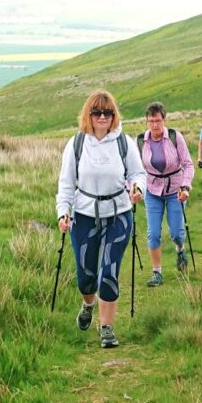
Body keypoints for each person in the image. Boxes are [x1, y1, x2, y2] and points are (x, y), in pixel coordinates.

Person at [56, 90, 146, 349]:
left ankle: (106, 327)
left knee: (109, 272)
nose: (103, 117)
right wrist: (64, 212)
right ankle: (88, 303)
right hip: (84, 215)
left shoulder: (124, 142)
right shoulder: (76, 144)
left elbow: (138, 172)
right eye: (97, 112)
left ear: (114, 115)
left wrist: (138, 188)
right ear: (89, 115)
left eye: (108, 113)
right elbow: (66, 184)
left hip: (118, 213)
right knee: (86, 276)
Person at [137, 102, 194, 286]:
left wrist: (185, 186)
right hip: (152, 191)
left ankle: (180, 250)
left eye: (158, 120)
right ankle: (157, 272)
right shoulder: (140, 142)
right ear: (146, 121)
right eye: (151, 121)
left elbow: (188, 164)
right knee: (153, 233)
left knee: (176, 232)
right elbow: (135, 170)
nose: (155, 125)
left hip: (175, 190)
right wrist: (134, 187)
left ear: (164, 120)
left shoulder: (174, 137)